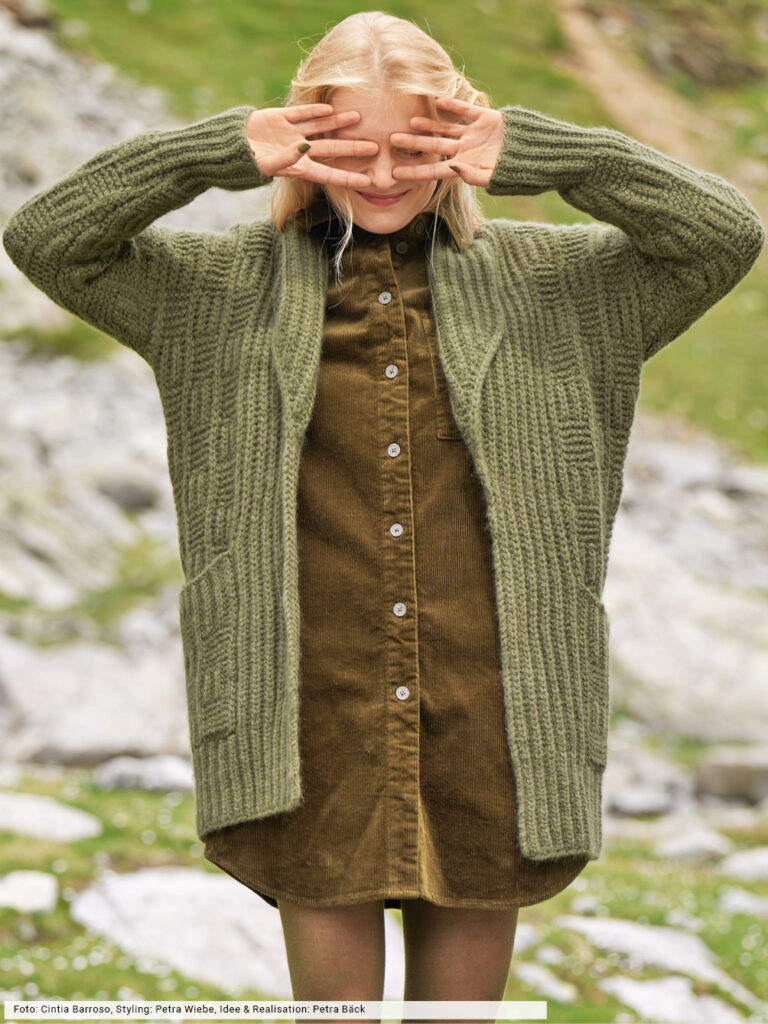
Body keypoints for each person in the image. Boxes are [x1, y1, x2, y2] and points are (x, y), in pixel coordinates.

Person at [3, 10, 764, 1023]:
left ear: (460, 133)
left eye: (413, 143)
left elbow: (723, 235)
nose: (383, 173)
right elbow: (48, 237)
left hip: (495, 715)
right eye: (351, 145)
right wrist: (220, 150)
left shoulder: (567, 287)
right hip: (302, 714)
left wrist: (546, 153)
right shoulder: (212, 292)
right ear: (302, 139)